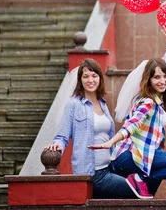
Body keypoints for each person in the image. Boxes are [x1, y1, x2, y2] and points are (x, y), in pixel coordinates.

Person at [89, 24, 166, 199]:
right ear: (149, 80)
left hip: (144, 155)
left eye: (165, 76)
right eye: (156, 77)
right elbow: (132, 124)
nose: (162, 81)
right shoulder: (148, 102)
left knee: (149, 193)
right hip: (129, 156)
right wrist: (111, 142)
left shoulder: (157, 98)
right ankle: (140, 178)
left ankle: (142, 181)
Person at [45, 59, 136, 199]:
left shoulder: (102, 104)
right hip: (93, 173)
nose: (90, 80)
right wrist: (57, 146)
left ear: (100, 77)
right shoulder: (74, 104)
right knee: (135, 191)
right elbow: (62, 136)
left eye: (94, 75)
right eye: (85, 76)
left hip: (110, 167)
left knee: (142, 182)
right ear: (80, 80)